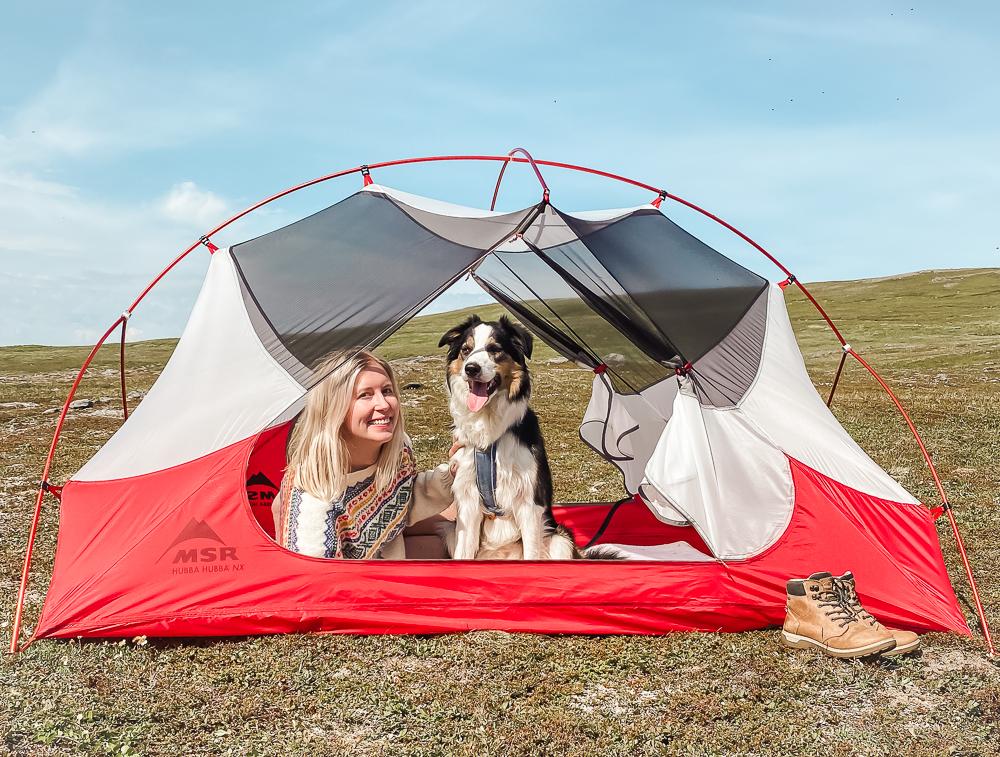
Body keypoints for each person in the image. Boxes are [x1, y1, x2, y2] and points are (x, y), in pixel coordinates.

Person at [272, 350, 455, 559]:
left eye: (387, 391)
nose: (384, 405)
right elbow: (318, 585)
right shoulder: (315, 507)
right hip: (360, 585)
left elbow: (404, 499)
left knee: (469, 523)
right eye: (365, 395)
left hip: (390, 550)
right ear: (334, 409)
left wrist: (453, 473)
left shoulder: (397, 448)